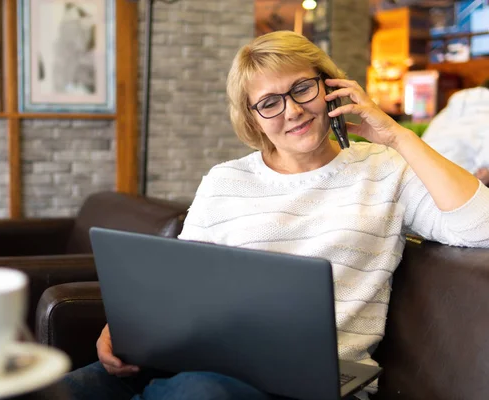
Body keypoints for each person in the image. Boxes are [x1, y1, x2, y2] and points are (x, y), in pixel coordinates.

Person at [62, 31, 489, 400]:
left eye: (303, 88)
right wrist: (125, 328)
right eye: (269, 102)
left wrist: (395, 134)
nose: (292, 110)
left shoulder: (385, 169)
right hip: (202, 360)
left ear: (331, 87)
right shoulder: (224, 180)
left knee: (200, 392)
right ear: (253, 119)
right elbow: (178, 287)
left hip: (303, 385)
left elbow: (481, 226)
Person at [422, 79, 489, 184]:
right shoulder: (484, 111)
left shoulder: (457, 101)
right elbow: (484, 172)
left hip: (417, 167)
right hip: (451, 182)